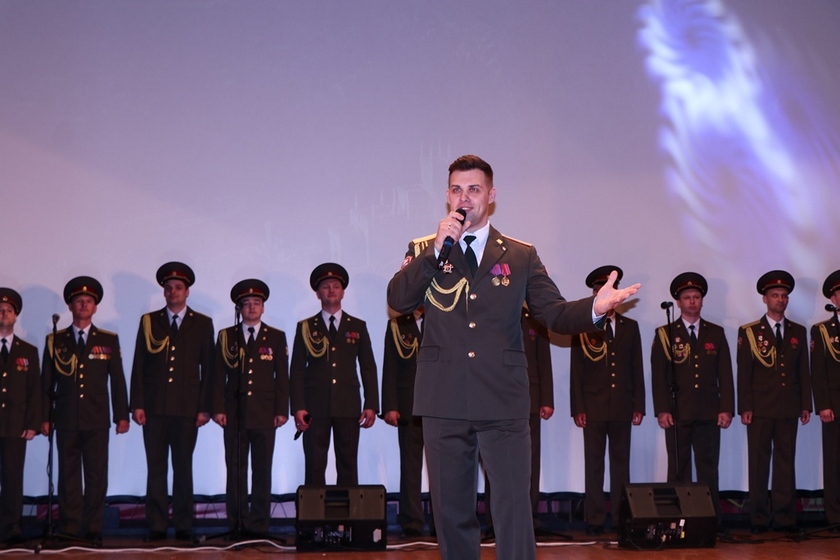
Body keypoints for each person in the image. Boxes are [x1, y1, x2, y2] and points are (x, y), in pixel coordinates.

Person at [386, 154, 640, 560]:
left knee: (513, 510)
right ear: (447, 196)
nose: (464, 198)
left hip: (502, 399)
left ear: (491, 195)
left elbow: (553, 312)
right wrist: (434, 251)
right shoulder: (424, 249)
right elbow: (399, 300)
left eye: (474, 189)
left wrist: (596, 307)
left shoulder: (520, 255)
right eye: (456, 190)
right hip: (442, 399)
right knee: (452, 513)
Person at [130, 262, 214, 542]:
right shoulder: (149, 321)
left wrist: (205, 407)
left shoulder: (202, 323)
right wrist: (137, 403)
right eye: (169, 288)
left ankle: (183, 524)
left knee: (183, 468)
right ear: (164, 292)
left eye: (178, 287)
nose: (173, 292)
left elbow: (209, 369)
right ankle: (156, 524)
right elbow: (139, 364)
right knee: (156, 467)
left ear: (187, 292)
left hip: (187, 409)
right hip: (154, 407)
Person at [41, 277, 129, 545]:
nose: (83, 305)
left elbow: (117, 380)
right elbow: (46, 382)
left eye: (88, 301)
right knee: (68, 476)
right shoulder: (56, 339)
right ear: (70, 306)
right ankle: (69, 526)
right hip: (66, 417)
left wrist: (121, 415)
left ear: (95, 307)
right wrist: (44, 417)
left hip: (96, 418)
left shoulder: (108, 340)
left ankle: (93, 527)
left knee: (96, 475)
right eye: (78, 301)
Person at [650, 272, 734, 524]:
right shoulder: (665, 333)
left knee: (708, 468)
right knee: (679, 468)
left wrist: (726, 408)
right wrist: (662, 409)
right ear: (678, 302)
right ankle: (677, 520)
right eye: (687, 298)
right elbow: (658, 376)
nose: (692, 301)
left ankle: (710, 521)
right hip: (678, 412)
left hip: (708, 411)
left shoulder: (715, 333)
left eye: (696, 297)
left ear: (702, 300)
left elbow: (725, 374)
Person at [570, 266, 644, 536]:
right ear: (594, 294)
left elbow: (636, 368)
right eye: (599, 291)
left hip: (622, 405)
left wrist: (638, 405)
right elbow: (576, 370)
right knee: (594, 465)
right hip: (593, 407)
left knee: (621, 464)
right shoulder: (584, 327)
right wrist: (578, 408)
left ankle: (621, 518)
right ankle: (595, 518)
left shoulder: (630, 327)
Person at [212, 279, 289, 536]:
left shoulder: (276, 337)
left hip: (265, 414)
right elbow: (217, 376)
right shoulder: (227, 336)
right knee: (235, 471)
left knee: (262, 471)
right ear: (239, 309)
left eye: (257, 303)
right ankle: (237, 523)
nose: (252, 308)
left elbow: (282, 377)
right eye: (246, 304)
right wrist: (218, 408)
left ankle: (259, 525)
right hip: (234, 414)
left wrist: (281, 410)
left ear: (263, 308)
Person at [290, 263, 378, 485]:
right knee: (314, 464)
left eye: (336, 286)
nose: (331, 290)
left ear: (343, 292)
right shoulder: (305, 327)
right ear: (318, 293)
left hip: (348, 405)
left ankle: (347, 510)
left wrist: (371, 404)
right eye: (326, 287)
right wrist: (298, 406)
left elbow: (368, 367)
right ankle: (314, 510)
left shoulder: (357, 326)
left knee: (348, 464)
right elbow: (297, 370)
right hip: (314, 406)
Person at [737, 270, 811, 534]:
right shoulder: (749, 332)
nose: (780, 299)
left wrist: (805, 404)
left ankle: (784, 518)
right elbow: (744, 373)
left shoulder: (798, 331)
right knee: (758, 464)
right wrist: (745, 406)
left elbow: (803, 371)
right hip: (759, 408)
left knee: (785, 464)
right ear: (765, 299)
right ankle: (758, 517)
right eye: (775, 295)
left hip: (788, 407)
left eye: (784, 295)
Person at [483, 306, 555, 538]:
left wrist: (547, 399)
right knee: (494, 459)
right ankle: (494, 519)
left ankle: (528, 518)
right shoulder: (494, 312)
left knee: (529, 461)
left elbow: (544, 361)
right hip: (497, 397)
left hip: (530, 399)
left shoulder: (536, 320)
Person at [382, 307, 430, 537]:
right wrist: (390, 406)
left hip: (441, 406)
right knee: (410, 466)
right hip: (409, 406)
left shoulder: (444, 318)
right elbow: (390, 366)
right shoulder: (397, 325)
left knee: (444, 469)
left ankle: (444, 522)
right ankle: (412, 521)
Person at [0, 289, 40, 547]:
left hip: (15, 425)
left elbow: (34, 390)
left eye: (8, 310)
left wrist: (32, 423)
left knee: (13, 479)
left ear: (16, 316)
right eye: (0, 310)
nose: (4, 313)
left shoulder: (28, 351)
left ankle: (10, 529)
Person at [809, 270, 840, 531]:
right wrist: (823, 405)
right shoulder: (822, 330)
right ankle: (836, 516)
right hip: (835, 406)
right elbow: (817, 372)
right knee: (834, 463)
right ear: (833, 298)